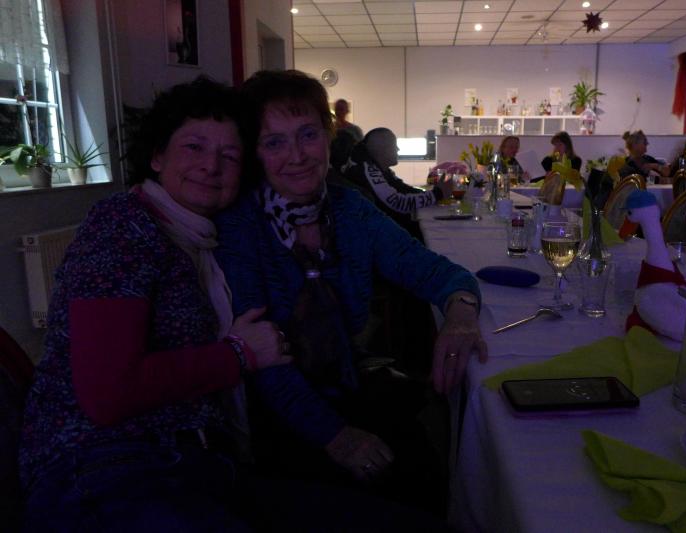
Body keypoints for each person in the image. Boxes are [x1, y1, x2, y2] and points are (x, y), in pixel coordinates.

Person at [18, 77, 439, 532]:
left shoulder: (202, 238)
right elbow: (107, 395)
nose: (211, 165)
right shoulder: (121, 229)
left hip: (197, 462)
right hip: (105, 470)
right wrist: (237, 354)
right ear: (157, 156)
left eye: (229, 155)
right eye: (194, 147)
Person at [214, 69, 487, 513]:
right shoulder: (240, 227)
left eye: (308, 134)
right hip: (279, 416)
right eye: (275, 142)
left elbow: (435, 271)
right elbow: (265, 366)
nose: (297, 155)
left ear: (328, 136)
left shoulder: (349, 209)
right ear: (254, 153)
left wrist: (460, 312)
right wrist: (337, 438)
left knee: (430, 472)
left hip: (349, 384)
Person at [343, 127, 452, 240]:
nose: (398, 149)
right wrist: (437, 194)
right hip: (381, 237)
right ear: (382, 150)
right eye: (394, 146)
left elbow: (404, 189)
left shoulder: (378, 168)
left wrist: (434, 194)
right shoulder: (368, 170)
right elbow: (398, 203)